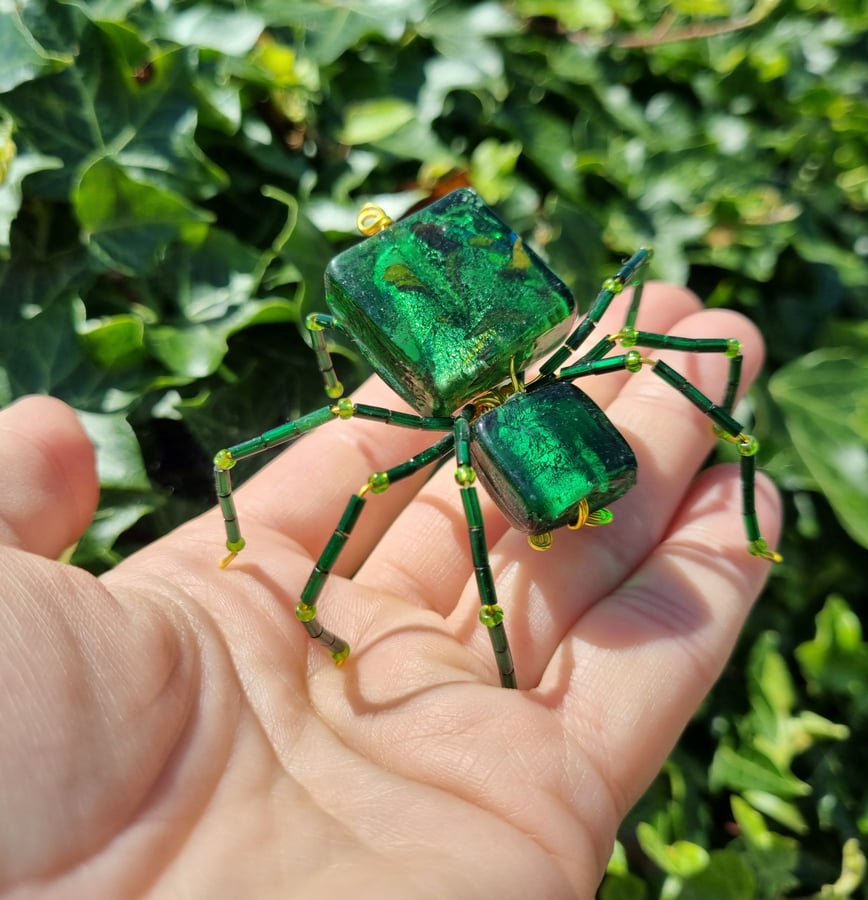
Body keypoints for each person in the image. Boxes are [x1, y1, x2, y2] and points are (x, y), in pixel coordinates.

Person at [0, 282, 780, 899]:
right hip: (485, 401)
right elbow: (247, 433)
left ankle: (728, 508)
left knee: (657, 345)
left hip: (521, 390)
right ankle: (318, 603)